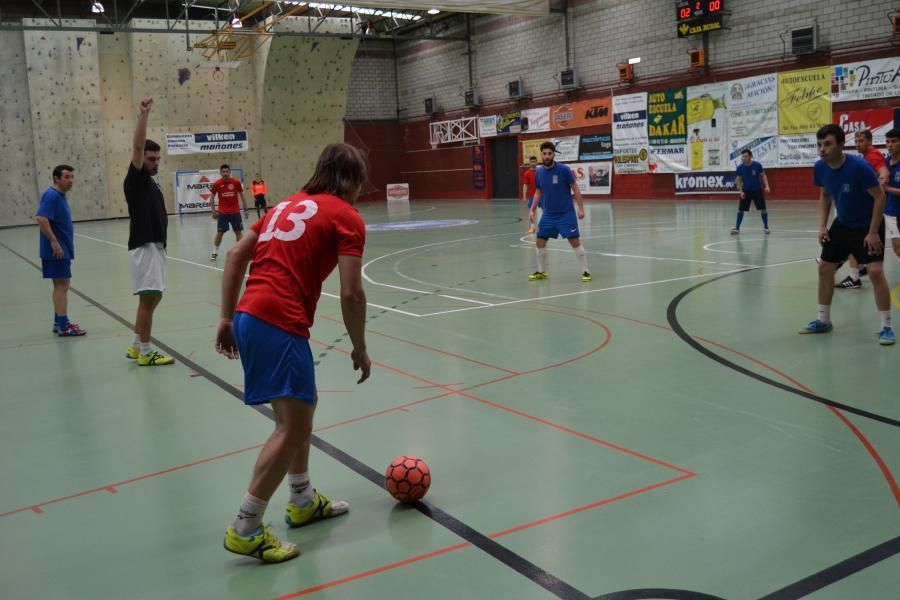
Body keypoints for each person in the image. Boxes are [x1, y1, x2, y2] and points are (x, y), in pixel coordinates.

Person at [216, 143, 372, 563]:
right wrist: (359, 346)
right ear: (352, 178)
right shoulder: (347, 217)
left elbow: (234, 255)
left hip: (251, 314)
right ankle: (246, 526)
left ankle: (302, 501)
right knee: (290, 428)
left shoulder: (285, 205)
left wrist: (227, 319)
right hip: (278, 321)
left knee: (304, 407)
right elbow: (352, 292)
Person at [799, 124, 894, 345]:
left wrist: (872, 232)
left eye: (828, 144)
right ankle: (823, 320)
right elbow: (825, 195)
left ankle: (887, 327)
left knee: (876, 272)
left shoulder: (859, 167)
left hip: (867, 224)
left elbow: (880, 198)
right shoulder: (820, 167)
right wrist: (822, 225)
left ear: (841, 145)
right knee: (824, 267)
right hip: (843, 223)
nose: (822, 149)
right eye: (819, 144)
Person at [124, 97, 175, 365]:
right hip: (145, 246)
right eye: (151, 158)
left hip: (155, 246)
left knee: (153, 297)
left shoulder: (151, 182)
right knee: (148, 300)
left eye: (157, 159)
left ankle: (135, 345)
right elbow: (137, 144)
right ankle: (146, 352)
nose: (155, 163)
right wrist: (144, 115)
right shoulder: (136, 178)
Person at [834, 129, 890, 289]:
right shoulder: (865, 157)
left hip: (867, 210)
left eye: (861, 141)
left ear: (870, 141)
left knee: (853, 239)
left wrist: (882, 180)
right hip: (862, 208)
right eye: (856, 142)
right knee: (856, 241)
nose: (858, 145)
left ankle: (852, 273)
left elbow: (882, 169)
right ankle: (856, 269)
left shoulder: (873, 155)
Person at [528, 141, 590, 282]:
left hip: (566, 214)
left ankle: (585, 272)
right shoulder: (539, 173)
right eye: (544, 154)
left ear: (553, 154)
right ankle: (541, 271)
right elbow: (538, 192)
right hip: (548, 214)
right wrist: (532, 210)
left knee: (575, 242)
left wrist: (581, 208)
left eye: (550, 153)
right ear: (541, 155)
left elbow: (575, 188)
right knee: (540, 241)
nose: (547, 156)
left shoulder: (564, 170)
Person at [35, 164, 85, 337]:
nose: (71, 181)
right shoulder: (52, 195)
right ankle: (64, 325)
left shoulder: (60, 196)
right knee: (62, 285)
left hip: (61, 248)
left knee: (61, 285)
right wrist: (54, 241)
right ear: (56, 178)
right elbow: (41, 218)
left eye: (72, 177)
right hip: (57, 249)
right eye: (67, 177)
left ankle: (59, 321)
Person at [210, 164, 248, 260]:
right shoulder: (217, 184)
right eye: (224, 172)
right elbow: (211, 197)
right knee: (220, 233)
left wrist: (245, 210)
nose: (225, 173)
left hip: (235, 212)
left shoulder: (236, 182)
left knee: (238, 232)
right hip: (223, 213)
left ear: (230, 172)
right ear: (221, 173)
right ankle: (214, 252)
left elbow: (242, 196)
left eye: (227, 171)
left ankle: (241, 252)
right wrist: (213, 211)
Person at [731, 149, 771, 235]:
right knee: (740, 210)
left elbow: (763, 175)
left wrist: (767, 186)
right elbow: (738, 180)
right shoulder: (740, 168)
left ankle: (766, 227)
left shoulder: (757, 165)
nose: (743, 158)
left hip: (757, 190)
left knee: (763, 209)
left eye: (745, 156)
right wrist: (741, 192)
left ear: (750, 156)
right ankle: (737, 228)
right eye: (742, 156)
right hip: (746, 191)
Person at [883, 128, 900, 259]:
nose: (890, 144)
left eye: (894, 141)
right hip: (890, 212)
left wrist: (886, 188)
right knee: (898, 249)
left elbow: (885, 187)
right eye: (888, 141)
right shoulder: (885, 162)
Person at [522, 156, 539, 234]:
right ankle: (532, 226)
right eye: (531, 162)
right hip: (532, 196)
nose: (533, 163)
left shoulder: (540, 171)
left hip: (542, 196)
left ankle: (544, 227)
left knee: (545, 211)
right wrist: (524, 196)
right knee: (531, 212)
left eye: (534, 161)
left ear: (537, 162)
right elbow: (525, 185)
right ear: (529, 163)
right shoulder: (527, 173)